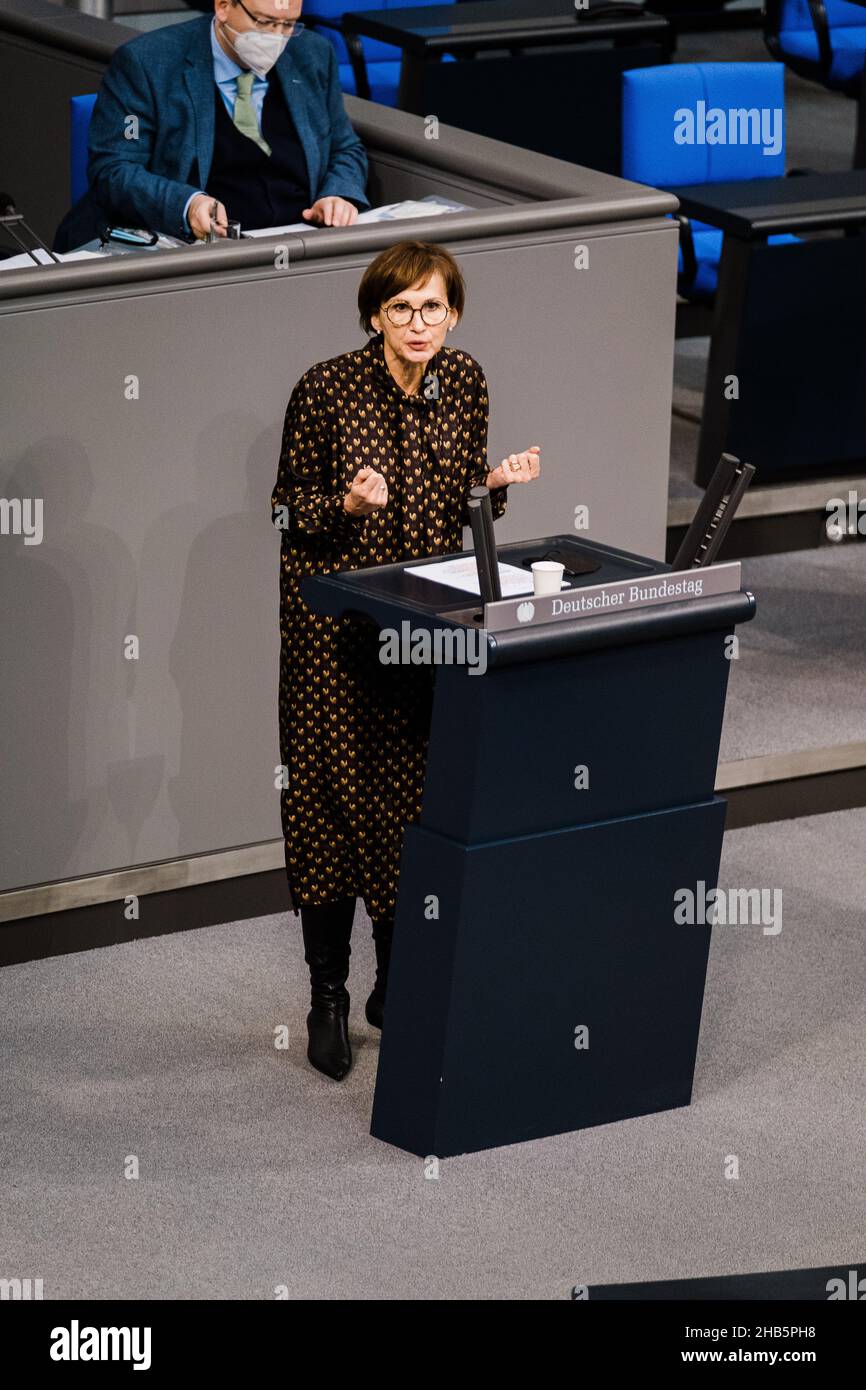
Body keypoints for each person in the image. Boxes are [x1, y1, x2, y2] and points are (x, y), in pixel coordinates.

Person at [271, 240, 541, 1081]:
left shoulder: (466, 380)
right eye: (401, 309)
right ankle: (327, 996)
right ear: (375, 316)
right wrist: (344, 502)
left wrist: (493, 484)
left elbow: (460, 496)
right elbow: (286, 512)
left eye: (433, 307)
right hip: (333, 638)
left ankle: (396, 983)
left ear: (453, 312)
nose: (419, 324)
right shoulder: (325, 388)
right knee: (323, 812)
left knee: (404, 804)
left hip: (419, 629)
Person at [53, 0, 368, 252]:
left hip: (298, 245)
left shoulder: (312, 54)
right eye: (264, 22)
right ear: (223, 6)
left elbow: (345, 147)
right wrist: (188, 206)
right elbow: (115, 168)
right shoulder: (146, 64)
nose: (277, 37)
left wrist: (338, 194)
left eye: (288, 24)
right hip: (199, 252)